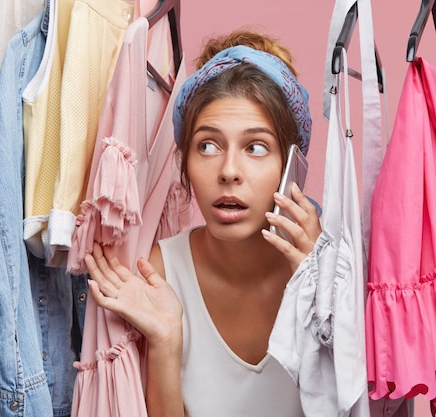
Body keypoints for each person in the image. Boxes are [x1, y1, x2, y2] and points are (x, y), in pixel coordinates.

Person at [83, 30, 322, 417]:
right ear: (185, 162)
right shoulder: (160, 273)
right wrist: (165, 340)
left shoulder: (332, 269)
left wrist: (320, 297)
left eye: (255, 147)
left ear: (291, 166)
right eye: (207, 146)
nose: (229, 172)